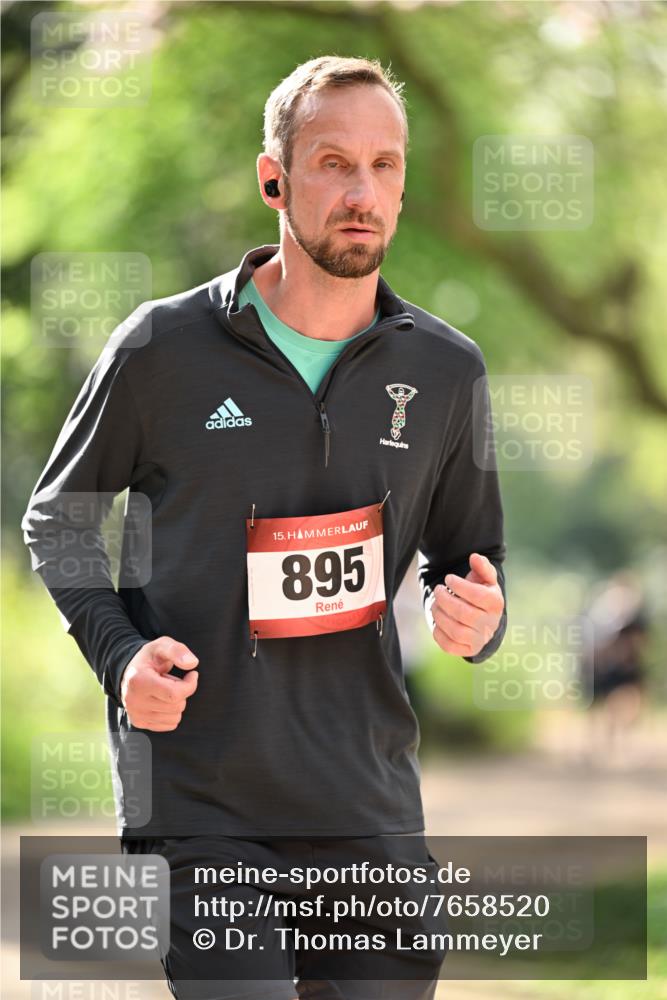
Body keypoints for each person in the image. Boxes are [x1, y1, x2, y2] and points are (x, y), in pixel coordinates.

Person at [22, 55, 508, 1000]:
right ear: (273, 179)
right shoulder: (161, 348)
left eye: (384, 165)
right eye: (333, 163)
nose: (361, 191)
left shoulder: (448, 371)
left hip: (364, 803)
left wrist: (480, 620)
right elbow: (60, 515)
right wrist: (120, 656)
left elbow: (468, 558)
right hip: (201, 799)